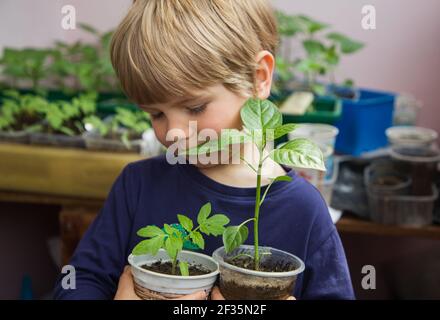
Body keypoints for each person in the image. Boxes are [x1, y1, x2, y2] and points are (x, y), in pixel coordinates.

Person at [54, 0, 355, 300]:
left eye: (195, 107)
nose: (172, 132)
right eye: (155, 114)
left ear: (258, 78)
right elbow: (79, 281)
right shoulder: (137, 186)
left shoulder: (304, 211)